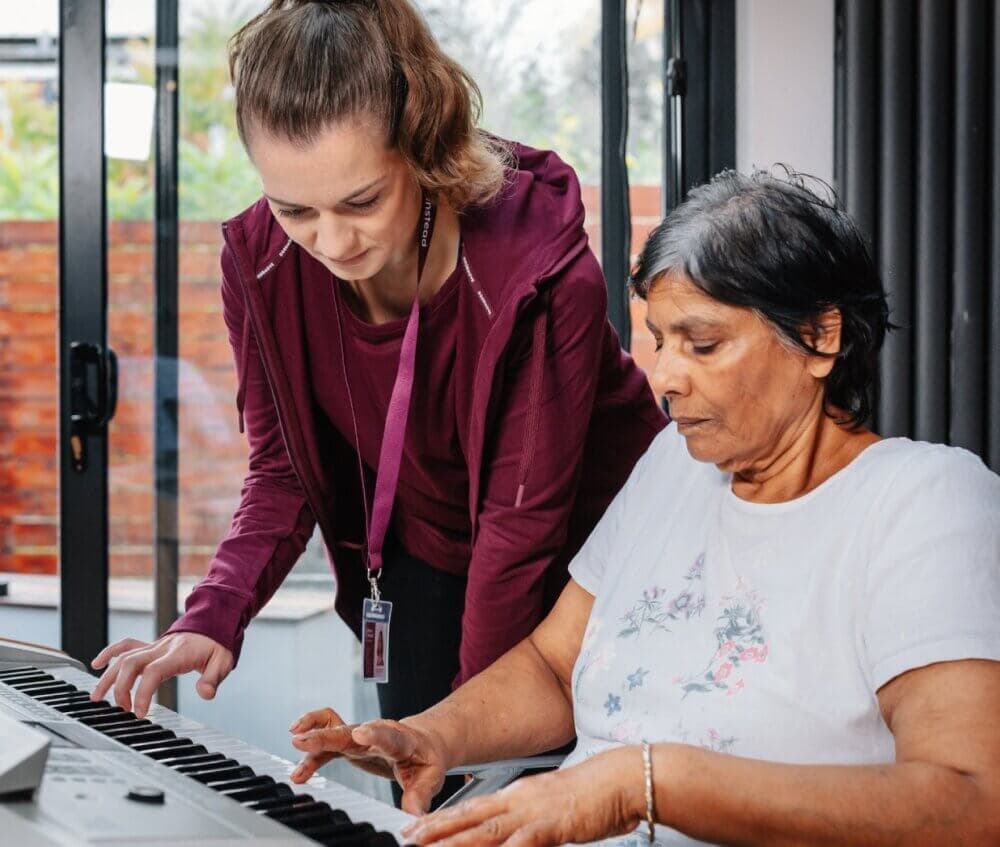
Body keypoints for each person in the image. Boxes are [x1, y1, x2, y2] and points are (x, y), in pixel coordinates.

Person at [283, 170, 1000, 846]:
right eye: (660, 341)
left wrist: (642, 782)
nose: (667, 379)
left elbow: (971, 802)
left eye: (704, 343)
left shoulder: (925, 501)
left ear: (819, 337)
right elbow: (554, 666)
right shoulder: (672, 467)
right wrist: (434, 735)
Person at [88, 0, 665, 807]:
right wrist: (211, 615)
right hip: (427, 548)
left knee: (522, 799)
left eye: (361, 202)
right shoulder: (261, 264)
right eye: (295, 209)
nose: (330, 242)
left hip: (587, 556)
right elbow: (282, 464)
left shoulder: (540, 272)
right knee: (422, 793)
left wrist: (462, 739)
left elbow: (521, 525)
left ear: (424, 148)